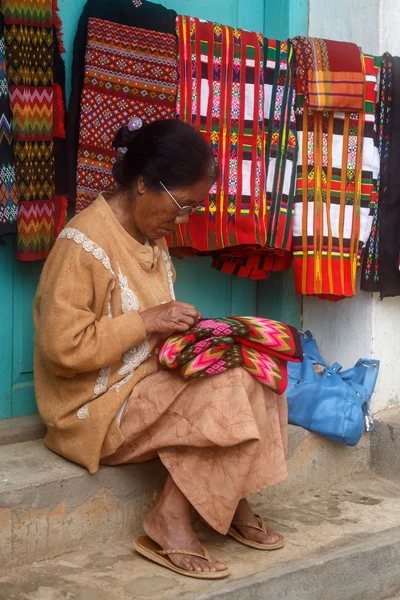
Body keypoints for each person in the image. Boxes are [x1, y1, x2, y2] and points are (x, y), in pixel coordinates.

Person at [34, 118, 288, 580]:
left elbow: (155, 332)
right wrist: (149, 321)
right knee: (226, 386)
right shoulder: (82, 245)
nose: (183, 220)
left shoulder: (150, 234)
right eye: (182, 206)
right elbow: (61, 348)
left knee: (254, 366)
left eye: (192, 209)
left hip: (145, 383)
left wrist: (198, 335)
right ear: (143, 185)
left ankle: (226, 494)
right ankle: (167, 521)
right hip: (94, 406)